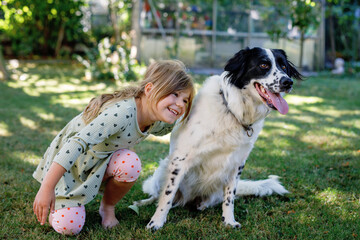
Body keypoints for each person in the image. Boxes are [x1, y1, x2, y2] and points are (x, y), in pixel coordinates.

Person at [32, 60, 195, 235]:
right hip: (72, 167)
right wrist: (46, 188)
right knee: (69, 226)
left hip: (98, 164)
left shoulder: (156, 119)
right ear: (149, 90)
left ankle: (107, 208)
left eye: (185, 100)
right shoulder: (122, 113)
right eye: (174, 95)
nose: (180, 104)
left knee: (129, 163)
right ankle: (59, 201)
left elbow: (181, 123)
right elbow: (75, 144)